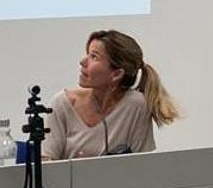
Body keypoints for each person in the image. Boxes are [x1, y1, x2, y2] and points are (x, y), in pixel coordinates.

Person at [42, 30, 179, 160]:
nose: (83, 62)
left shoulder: (137, 105)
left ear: (116, 74)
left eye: (94, 57)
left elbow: (142, 165)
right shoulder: (62, 103)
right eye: (87, 54)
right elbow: (47, 162)